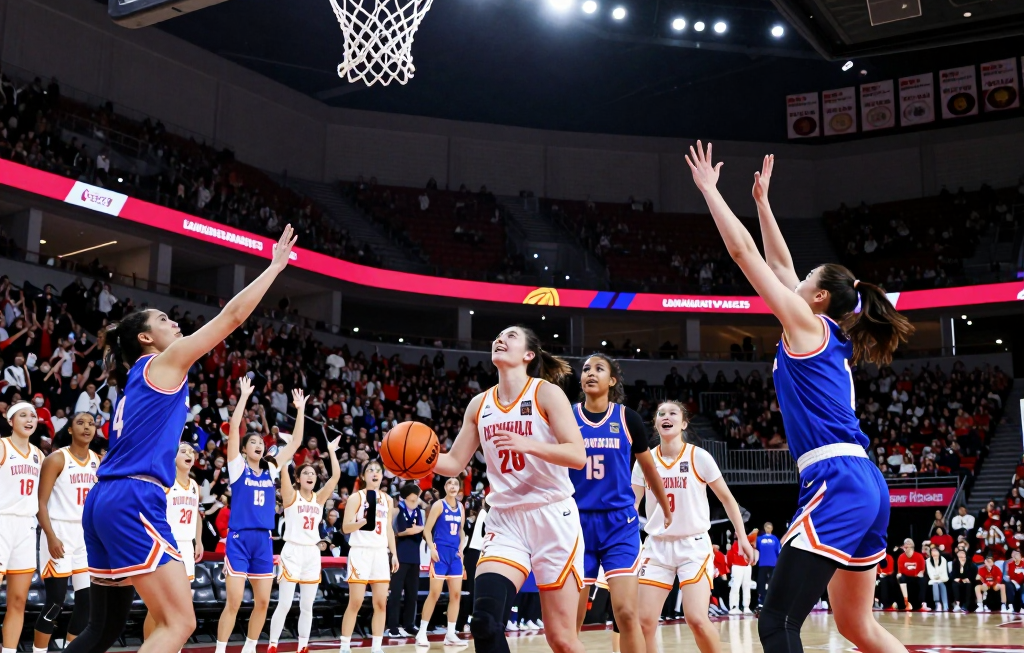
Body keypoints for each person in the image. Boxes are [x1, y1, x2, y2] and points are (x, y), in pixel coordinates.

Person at [687, 146, 912, 653]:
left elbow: (747, 256)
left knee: (777, 623)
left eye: (807, 280)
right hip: (864, 481)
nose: (796, 277)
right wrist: (764, 204)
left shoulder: (807, 324)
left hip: (836, 478)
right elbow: (781, 262)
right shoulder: (826, 329)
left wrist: (711, 192)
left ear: (818, 298)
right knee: (857, 628)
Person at [65, 226, 296, 653]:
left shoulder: (134, 380)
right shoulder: (164, 362)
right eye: (164, 320)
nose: (175, 323)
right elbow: (232, 317)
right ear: (146, 338)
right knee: (180, 622)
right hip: (135, 497)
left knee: (103, 629)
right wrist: (274, 268)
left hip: (104, 500)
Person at [430, 325, 587, 653]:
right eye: (497, 336)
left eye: (511, 336)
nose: (499, 339)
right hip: (504, 520)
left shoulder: (545, 393)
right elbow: (454, 463)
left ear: (528, 355)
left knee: (561, 639)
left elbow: (576, 455)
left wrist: (528, 444)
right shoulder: (479, 404)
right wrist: (416, 463)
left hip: (552, 516)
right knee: (484, 624)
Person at [632, 400, 753, 653]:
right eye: (661, 413)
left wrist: (742, 537)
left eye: (672, 413)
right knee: (643, 623)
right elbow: (631, 505)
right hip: (656, 547)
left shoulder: (699, 456)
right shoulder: (645, 461)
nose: (666, 416)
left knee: (696, 619)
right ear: (656, 424)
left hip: (693, 546)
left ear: (684, 423)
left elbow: (727, 499)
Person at [569, 354, 671, 653]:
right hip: (577, 523)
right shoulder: (568, 416)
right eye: (586, 368)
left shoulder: (628, 418)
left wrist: (665, 508)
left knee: (626, 613)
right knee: (572, 618)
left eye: (599, 369)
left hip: (619, 525)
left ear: (612, 380)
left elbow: (649, 469)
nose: (590, 373)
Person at [215, 378, 304, 653]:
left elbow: (297, 442)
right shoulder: (237, 468)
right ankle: (220, 649)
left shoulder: (271, 469)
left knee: (263, 602)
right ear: (244, 450)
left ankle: (250, 648)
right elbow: (233, 434)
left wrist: (300, 410)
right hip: (240, 539)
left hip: (264, 541)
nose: (258, 445)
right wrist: (243, 397)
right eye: (252, 442)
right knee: (234, 601)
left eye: (260, 442)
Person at [267, 423, 341, 653]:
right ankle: (272, 645)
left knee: (308, 606)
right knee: (286, 604)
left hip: (311, 553)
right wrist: (287, 450)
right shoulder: (291, 496)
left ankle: (302, 646)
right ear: (298, 479)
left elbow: (336, 476)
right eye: (305, 473)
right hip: (292, 551)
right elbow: (284, 470)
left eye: (313, 473)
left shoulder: (319, 500)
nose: (310, 475)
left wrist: (332, 452)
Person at [34, 412, 98, 653]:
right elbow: (40, 503)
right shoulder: (57, 459)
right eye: (80, 423)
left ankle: (72, 650)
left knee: (86, 603)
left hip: (85, 538)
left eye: (91, 423)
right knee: (54, 603)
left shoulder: (99, 461)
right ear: (70, 429)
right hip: (58, 533)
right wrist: (50, 536)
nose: (87, 427)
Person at [143, 441, 203, 643]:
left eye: (192, 452)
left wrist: (199, 541)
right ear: (174, 458)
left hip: (186, 545)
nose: (189, 454)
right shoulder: (165, 482)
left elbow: (196, 515)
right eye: (183, 451)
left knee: (180, 604)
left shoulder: (194, 485)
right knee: (159, 606)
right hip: (168, 545)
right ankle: (149, 645)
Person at [339, 460, 398, 653]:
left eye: (378, 471)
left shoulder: (388, 500)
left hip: (380, 553)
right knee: (355, 602)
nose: (375, 473)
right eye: (371, 470)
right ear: (363, 476)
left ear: (382, 476)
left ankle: (376, 647)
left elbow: (389, 528)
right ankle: (345, 646)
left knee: (381, 603)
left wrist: (394, 554)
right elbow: (345, 527)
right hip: (360, 551)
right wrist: (362, 522)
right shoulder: (357, 497)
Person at [1, 402, 44, 653]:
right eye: (23, 415)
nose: (30, 419)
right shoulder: (2, 446)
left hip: (27, 527)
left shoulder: (39, 454)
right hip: (2, 522)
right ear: (10, 421)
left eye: (34, 416)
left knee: (18, 601)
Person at [417, 477, 468, 646]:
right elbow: (427, 529)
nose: (453, 486)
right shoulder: (439, 505)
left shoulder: (461, 507)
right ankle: (422, 632)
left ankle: (451, 634)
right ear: (445, 487)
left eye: (455, 484)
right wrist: (432, 548)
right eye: (450, 483)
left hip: (455, 555)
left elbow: (461, 531)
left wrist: (462, 546)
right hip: (440, 553)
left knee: (455, 595)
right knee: (435, 594)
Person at [385, 483, 424, 639]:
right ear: (404, 498)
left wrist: (414, 530)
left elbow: (419, 531)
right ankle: (392, 625)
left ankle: (409, 624)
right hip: (400, 555)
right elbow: (399, 531)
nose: (414, 503)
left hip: (414, 556)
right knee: (395, 593)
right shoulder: (397, 511)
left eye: (416, 500)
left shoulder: (418, 512)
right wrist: (416, 529)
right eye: (412, 500)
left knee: (412, 593)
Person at [755, 523, 781, 609]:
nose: (768, 529)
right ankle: (762, 601)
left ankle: (773, 602)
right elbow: (757, 549)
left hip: (773, 563)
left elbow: (778, 551)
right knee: (762, 583)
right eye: (767, 527)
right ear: (764, 528)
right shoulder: (759, 539)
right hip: (763, 563)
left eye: (770, 527)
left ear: (772, 528)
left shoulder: (775, 539)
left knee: (772, 583)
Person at [896, 539, 928, 611]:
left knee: (923, 580)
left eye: (909, 544)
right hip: (906, 576)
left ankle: (923, 603)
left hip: (916, 577)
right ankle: (906, 602)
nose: (907, 545)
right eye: (906, 544)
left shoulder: (919, 556)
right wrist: (899, 575)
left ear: (912, 546)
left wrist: (920, 573)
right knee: (900, 578)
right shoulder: (901, 557)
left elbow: (922, 569)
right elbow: (900, 571)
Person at [727, 537, 755, 615]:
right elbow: (729, 556)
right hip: (737, 566)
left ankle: (746, 606)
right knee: (735, 586)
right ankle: (734, 607)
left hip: (747, 566)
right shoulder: (734, 544)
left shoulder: (748, 544)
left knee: (747, 586)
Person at [925, 546, 949, 611]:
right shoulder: (927, 561)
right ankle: (937, 603)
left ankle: (945, 604)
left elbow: (944, 574)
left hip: (942, 579)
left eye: (935, 551)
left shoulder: (943, 560)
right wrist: (935, 564)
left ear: (939, 552)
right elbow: (931, 575)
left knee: (941, 584)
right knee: (935, 584)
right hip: (933, 580)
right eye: (932, 551)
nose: (934, 553)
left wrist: (938, 576)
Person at [1004, 549, 1023, 614]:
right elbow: (1011, 575)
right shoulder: (1010, 564)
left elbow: (1022, 577)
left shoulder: (1023, 564)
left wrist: (1017, 577)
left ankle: (1022, 606)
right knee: (1008, 585)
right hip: (1013, 582)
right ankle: (1010, 605)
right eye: (1015, 555)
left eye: (1018, 555)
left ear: (1021, 556)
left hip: (1022, 582)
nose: (1016, 556)